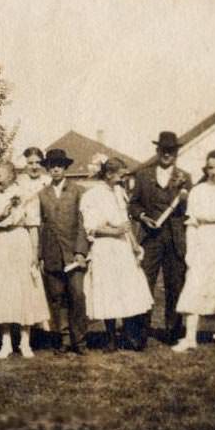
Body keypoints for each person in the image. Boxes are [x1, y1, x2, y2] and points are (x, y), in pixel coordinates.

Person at [80, 157, 153, 352]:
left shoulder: (120, 192)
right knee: (108, 291)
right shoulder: (92, 195)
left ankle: (129, 336)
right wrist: (115, 231)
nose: (123, 178)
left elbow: (125, 222)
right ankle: (110, 337)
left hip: (122, 247)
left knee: (127, 289)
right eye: (120, 174)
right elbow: (92, 227)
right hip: (105, 248)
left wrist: (134, 243)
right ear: (109, 174)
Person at [173, 150, 215, 352]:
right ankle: (190, 337)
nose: (213, 171)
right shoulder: (197, 191)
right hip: (202, 241)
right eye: (210, 167)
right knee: (195, 284)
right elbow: (192, 222)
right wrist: (191, 250)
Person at [0, 161, 50, 359]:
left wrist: (34, 254)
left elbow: (33, 226)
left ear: (11, 176)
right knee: (2, 292)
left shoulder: (26, 195)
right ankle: (6, 342)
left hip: (20, 242)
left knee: (23, 291)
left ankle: (25, 342)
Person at [128, 131, 192, 345]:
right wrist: (144, 217)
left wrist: (183, 199)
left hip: (175, 238)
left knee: (175, 285)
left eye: (171, 150)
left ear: (176, 153)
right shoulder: (143, 175)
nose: (167, 154)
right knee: (144, 284)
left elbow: (188, 209)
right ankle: (139, 334)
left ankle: (173, 333)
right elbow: (133, 204)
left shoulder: (185, 177)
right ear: (157, 151)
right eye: (163, 150)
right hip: (150, 238)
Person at [38, 149, 89, 354]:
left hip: (73, 254)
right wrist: (40, 255)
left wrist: (80, 251)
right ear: (48, 168)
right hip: (51, 253)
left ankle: (80, 341)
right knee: (56, 298)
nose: (56, 168)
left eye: (59, 164)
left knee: (77, 296)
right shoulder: (42, 194)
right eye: (52, 165)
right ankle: (62, 339)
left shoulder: (78, 191)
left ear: (65, 167)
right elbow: (40, 225)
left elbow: (83, 223)